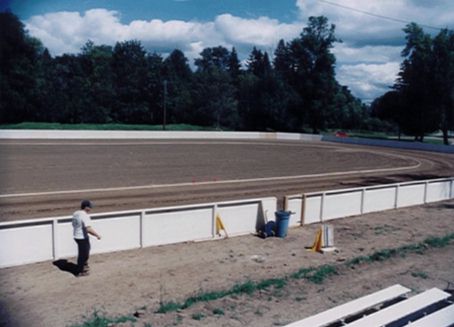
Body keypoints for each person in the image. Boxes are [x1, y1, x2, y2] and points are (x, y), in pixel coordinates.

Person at [72, 200, 101, 276]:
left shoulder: (76, 213)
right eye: (89, 207)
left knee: (85, 252)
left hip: (77, 236)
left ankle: (84, 266)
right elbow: (88, 229)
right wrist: (97, 235)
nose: (90, 209)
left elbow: (73, 224)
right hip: (82, 237)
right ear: (86, 207)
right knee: (84, 254)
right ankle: (80, 270)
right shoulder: (84, 215)